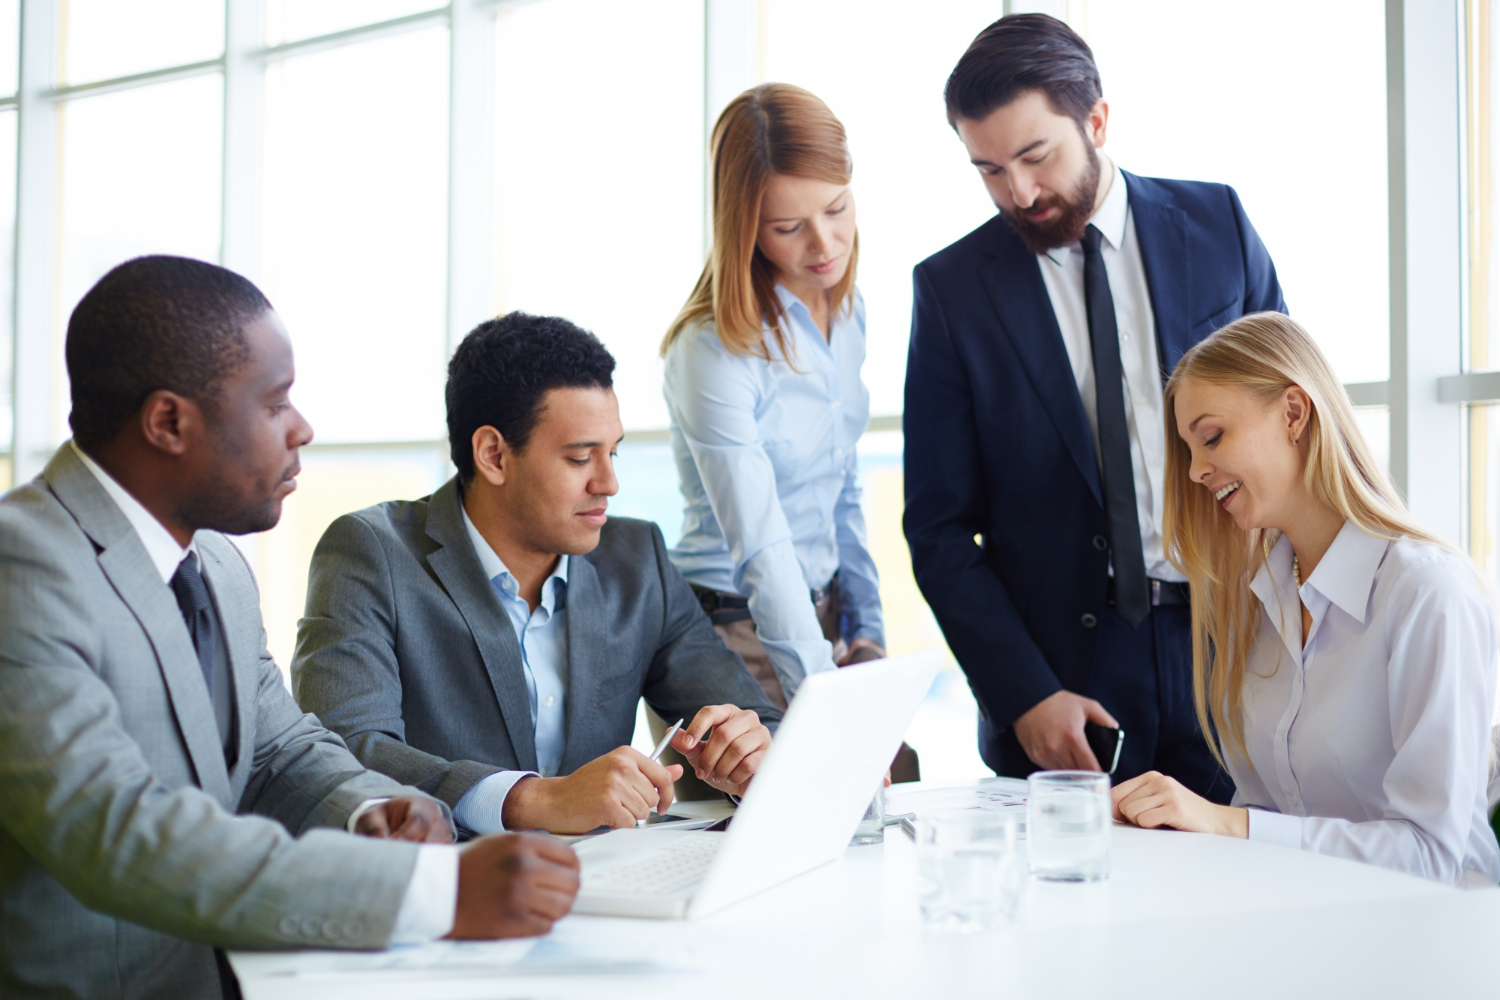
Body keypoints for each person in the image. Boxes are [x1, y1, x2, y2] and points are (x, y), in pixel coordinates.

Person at [0, 257, 580, 1000]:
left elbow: (276, 751)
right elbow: (112, 830)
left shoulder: (214, 561)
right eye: (274, 404)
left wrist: (372, 810)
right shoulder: (25, 564)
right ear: (168, 422)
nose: (302, 428)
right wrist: (432, 894)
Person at [902, 14, 1283, 796]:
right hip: (1062, 685)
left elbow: (1293, 430)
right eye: (988, 170)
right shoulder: (951, 290)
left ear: (1097, 120)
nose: (1019, 191)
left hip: (1234, 650)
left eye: (1036, 156)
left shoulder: (1218, 228)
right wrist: (1023, 692)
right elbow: (937, 526)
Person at [292, 312, 778, 836]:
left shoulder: (637, 558)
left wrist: (750, 753)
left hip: (615, 883)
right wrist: (532, 800)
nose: (609, 483)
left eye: (612, 453)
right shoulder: (371, 553)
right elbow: (345, 753)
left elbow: (755, 722)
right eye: (579, 458)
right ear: (494, 455)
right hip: (453, 888)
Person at [1111, 313, 1500, 888]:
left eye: (1212, 437)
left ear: (1294, 413)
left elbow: (1431, 854)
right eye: (1190, 451)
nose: (1195, 472)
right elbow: (1268, 820)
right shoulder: (1258, 601)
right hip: (1304, 924)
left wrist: (1227, 824)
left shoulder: (1425, 593)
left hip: (1432, 941)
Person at [661, 84, 913, 780]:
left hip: (820, 614)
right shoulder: (712, 348)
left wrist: (865, 631)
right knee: (801, 806)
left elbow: (841, 484)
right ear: (743, 225)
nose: (824, 243)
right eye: (787, 227)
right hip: (730, 630)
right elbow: (762, 545)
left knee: (892, 787)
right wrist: (822, 701)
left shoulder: (849, 312)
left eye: (836, 209)